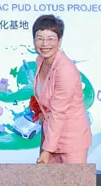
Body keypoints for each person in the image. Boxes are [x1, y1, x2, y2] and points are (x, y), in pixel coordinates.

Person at [30, 15, 91, 164]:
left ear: (60, 40)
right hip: (50, 136)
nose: (45, 44)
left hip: (71, 141)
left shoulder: (65, 70)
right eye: (39, 38)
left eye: (50, 38)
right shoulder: (40, 61)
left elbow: (58, 112)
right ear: (34, 40)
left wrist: (47, 150)